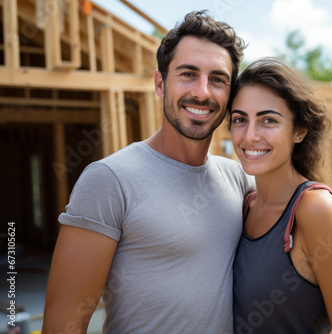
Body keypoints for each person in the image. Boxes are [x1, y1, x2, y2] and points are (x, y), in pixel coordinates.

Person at [42, 11, 253, 334]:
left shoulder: (239, 179)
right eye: (188, 74)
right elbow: (63, 324)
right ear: (160, 83)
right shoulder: (109, 180)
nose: (202, 92)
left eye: (218, 80)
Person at [229, 58, 332, 334]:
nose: (250, 135)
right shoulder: (245, 206)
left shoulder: (316, 210)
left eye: (268, 120)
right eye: (239, 120)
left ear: (299, 131)